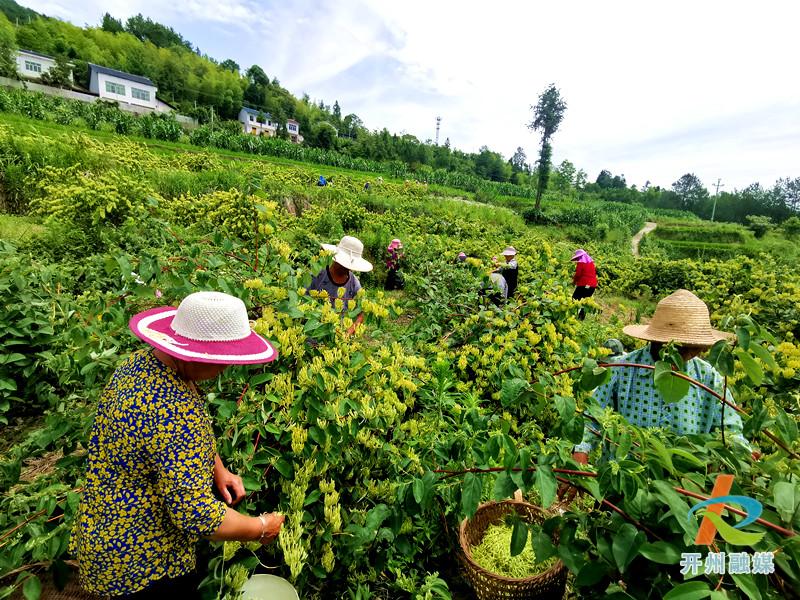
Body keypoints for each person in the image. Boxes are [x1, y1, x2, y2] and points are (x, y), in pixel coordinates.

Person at [71, 292, 285, 599]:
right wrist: (261, 527)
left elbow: (168, 443)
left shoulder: (142, 365)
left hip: (104, 523)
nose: (226, 368)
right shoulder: (172, 411)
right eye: (222, 361)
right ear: (194, 355)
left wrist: (218, 468)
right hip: (141, 560)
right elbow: (195, 514)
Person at [572, 289, 750, 465]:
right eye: (680, 347)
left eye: (693, 348)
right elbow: (593, 418)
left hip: (682, 485)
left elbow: (730, 430)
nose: (686, 354)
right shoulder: (622, 369)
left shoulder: (708, 378)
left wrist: (743, 456)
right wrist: (580, 453)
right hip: (624, 477)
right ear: (656, 341)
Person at [571, 249, 597, 320]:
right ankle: (581, 318)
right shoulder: (591, 263)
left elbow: (578, 274)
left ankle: (571, 316)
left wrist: (574, 282)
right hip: (592, 286)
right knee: (585, 302)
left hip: (584, 284)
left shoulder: (581, 263)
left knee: (574, 299)